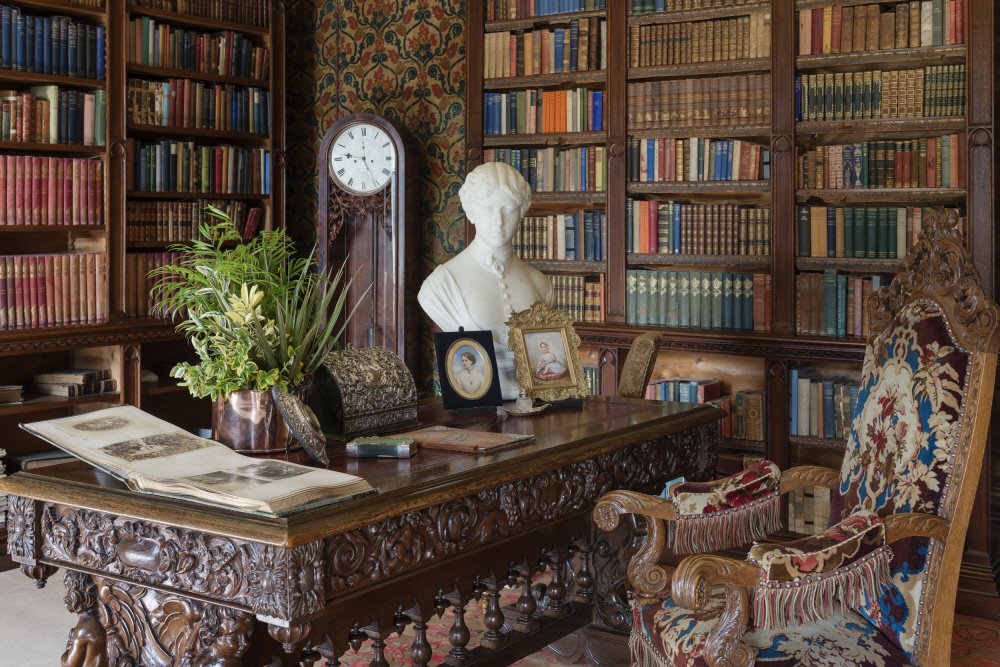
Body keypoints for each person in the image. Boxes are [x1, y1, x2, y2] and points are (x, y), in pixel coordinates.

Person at [418, 162, 554, 399]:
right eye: (487, 208)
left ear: (522, 211)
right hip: (479, 407)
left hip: (535, 403)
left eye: (508, 208)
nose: (498, 220)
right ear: (470, 212)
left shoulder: (540, 284)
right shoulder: (441, 285)